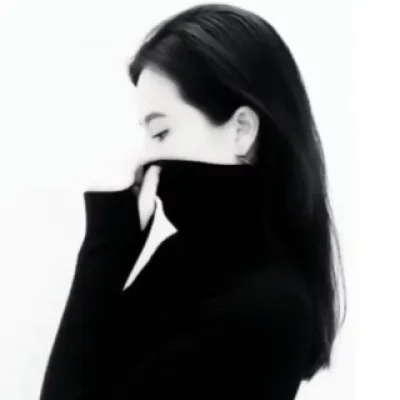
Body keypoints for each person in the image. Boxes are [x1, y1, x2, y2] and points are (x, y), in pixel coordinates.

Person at [39, 3, 346, 399]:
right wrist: (108, 250)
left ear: (241, 130)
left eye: (161, 133)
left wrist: (104, 249)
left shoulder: (267, 306)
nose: (145, 158)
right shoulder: (183, 261)